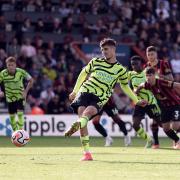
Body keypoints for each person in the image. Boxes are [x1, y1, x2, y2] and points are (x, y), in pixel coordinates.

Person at [65, 38, 146, 161]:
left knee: (87, 114)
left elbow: (125, 86)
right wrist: (75, 90)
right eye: (102, 49)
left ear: (113, 49)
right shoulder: (95, 61)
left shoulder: (121, 70)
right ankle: (87, 154)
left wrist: (136, 100)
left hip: (101, 96)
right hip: (85, 90)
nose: (103, 52)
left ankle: (76, 125)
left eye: (106, 49)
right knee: (83, 119)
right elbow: (83, 73)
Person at [136, 67, 180, 149]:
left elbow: (176, 85)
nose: (148, 77)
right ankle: (177, 140)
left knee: (175, 126)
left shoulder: (161, 82)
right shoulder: (147, 84)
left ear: (154, 75)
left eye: (150, 75)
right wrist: (136, 91)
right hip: (165, 108)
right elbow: (141, 85)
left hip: (175, 105)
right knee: (166, 128)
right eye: (146, 75)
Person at [145, 45, 175, 147]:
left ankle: (176, 140)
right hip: (156, 99)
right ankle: (156, 144)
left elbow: (171, 78)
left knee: (174, 124)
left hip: (168, 96)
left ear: (156, 54)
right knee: (154, 121)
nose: (150, 56)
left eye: (152, 54)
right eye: (148, 54)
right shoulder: (147, 66)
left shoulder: (163, 64)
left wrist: (159, 76)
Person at [129, 56, 161, 148]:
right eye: (132, 64)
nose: (134, 66)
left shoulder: (147, 72)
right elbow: (130, 89)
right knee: (135, 125)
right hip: (139, 104)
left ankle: (177, 136)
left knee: (162, 124)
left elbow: (158, 83)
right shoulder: (131, 74)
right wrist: (135, 94)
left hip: (151, 103)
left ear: (141, 64)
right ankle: (149, 140)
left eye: (136, 64)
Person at [0, 57, 33, 131]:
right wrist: (0, 91)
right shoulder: (2, 73)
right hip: (10, 97)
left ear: (15, 65)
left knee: (20, 113)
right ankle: (15, 132)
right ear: (6, 65)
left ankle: (20, 131)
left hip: (20, 96)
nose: (11, 67)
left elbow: (31, 80)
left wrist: (25, 92)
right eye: (9, 65)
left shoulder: (21, 72)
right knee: (12, 116)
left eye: (12, 65)